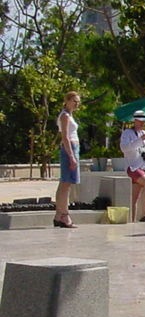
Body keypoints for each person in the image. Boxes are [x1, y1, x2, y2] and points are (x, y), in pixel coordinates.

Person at [120, 109, 145, 222]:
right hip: (132, 167)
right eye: (140, 121)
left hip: (143, 166)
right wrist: (141, 139)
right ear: (135, 121)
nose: (142, 123)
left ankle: (131, 219)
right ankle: (144, 214)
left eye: (144, 121)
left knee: (134, 197)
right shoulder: (127, 133)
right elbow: (125, 148)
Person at [54, 91, 82, 228]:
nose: (76, 104)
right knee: (66, 183)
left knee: (64, 183)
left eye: (78, 102)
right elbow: (65, 136)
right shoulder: (65, 116)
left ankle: (59, 215)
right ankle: (64, 214)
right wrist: (71, 156)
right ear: (67, 101)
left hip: (73, 147)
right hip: (69, 148)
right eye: (74, 101)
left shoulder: (69, 115)